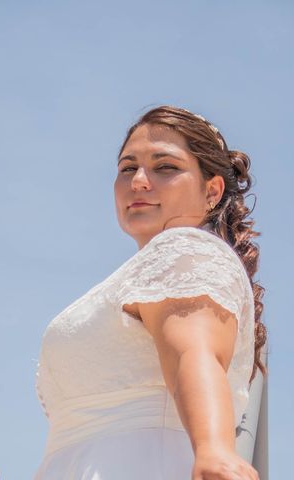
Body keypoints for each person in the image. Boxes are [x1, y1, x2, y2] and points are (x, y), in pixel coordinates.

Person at [34, 106, 266, 479]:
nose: (139, 181)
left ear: (212, 190)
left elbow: (193, 351)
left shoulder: (185, 249)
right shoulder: (139, 273)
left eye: (165, 167)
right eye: (128, 168)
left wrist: (214, 449)